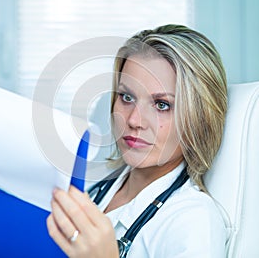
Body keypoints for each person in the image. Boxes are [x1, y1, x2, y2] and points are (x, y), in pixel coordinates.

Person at [46, 24, 228, 257]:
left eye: (162, 105)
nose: (134, 120)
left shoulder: (194, 222)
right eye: (126, 97)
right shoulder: (98, 191)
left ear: (199, 118)